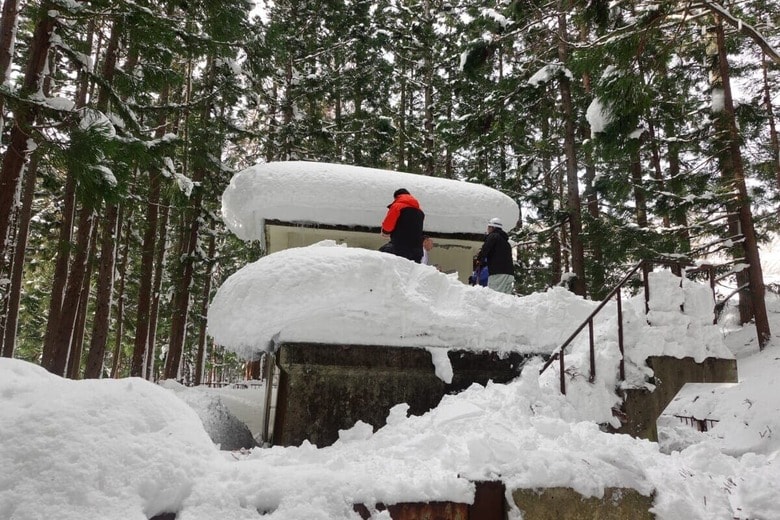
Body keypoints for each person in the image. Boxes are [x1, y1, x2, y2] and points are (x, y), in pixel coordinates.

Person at [379, 188, 425, 263]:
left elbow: (388, 226)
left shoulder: (397, 206)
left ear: (397, 197)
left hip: (400, 247)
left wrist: (385, 232)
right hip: (417, 250)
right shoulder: (420, 212)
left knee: (381, 256)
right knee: (412, 269)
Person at [476, 217, 514, 293]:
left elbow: (485, 249)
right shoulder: (506, 243)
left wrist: (479, 259)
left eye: (488, 227)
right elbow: (498, 256)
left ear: (493, 227)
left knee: (494, 295)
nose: (487, 229)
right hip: (509, 274)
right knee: (506, 297)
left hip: (498, 274)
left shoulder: (493, 236)